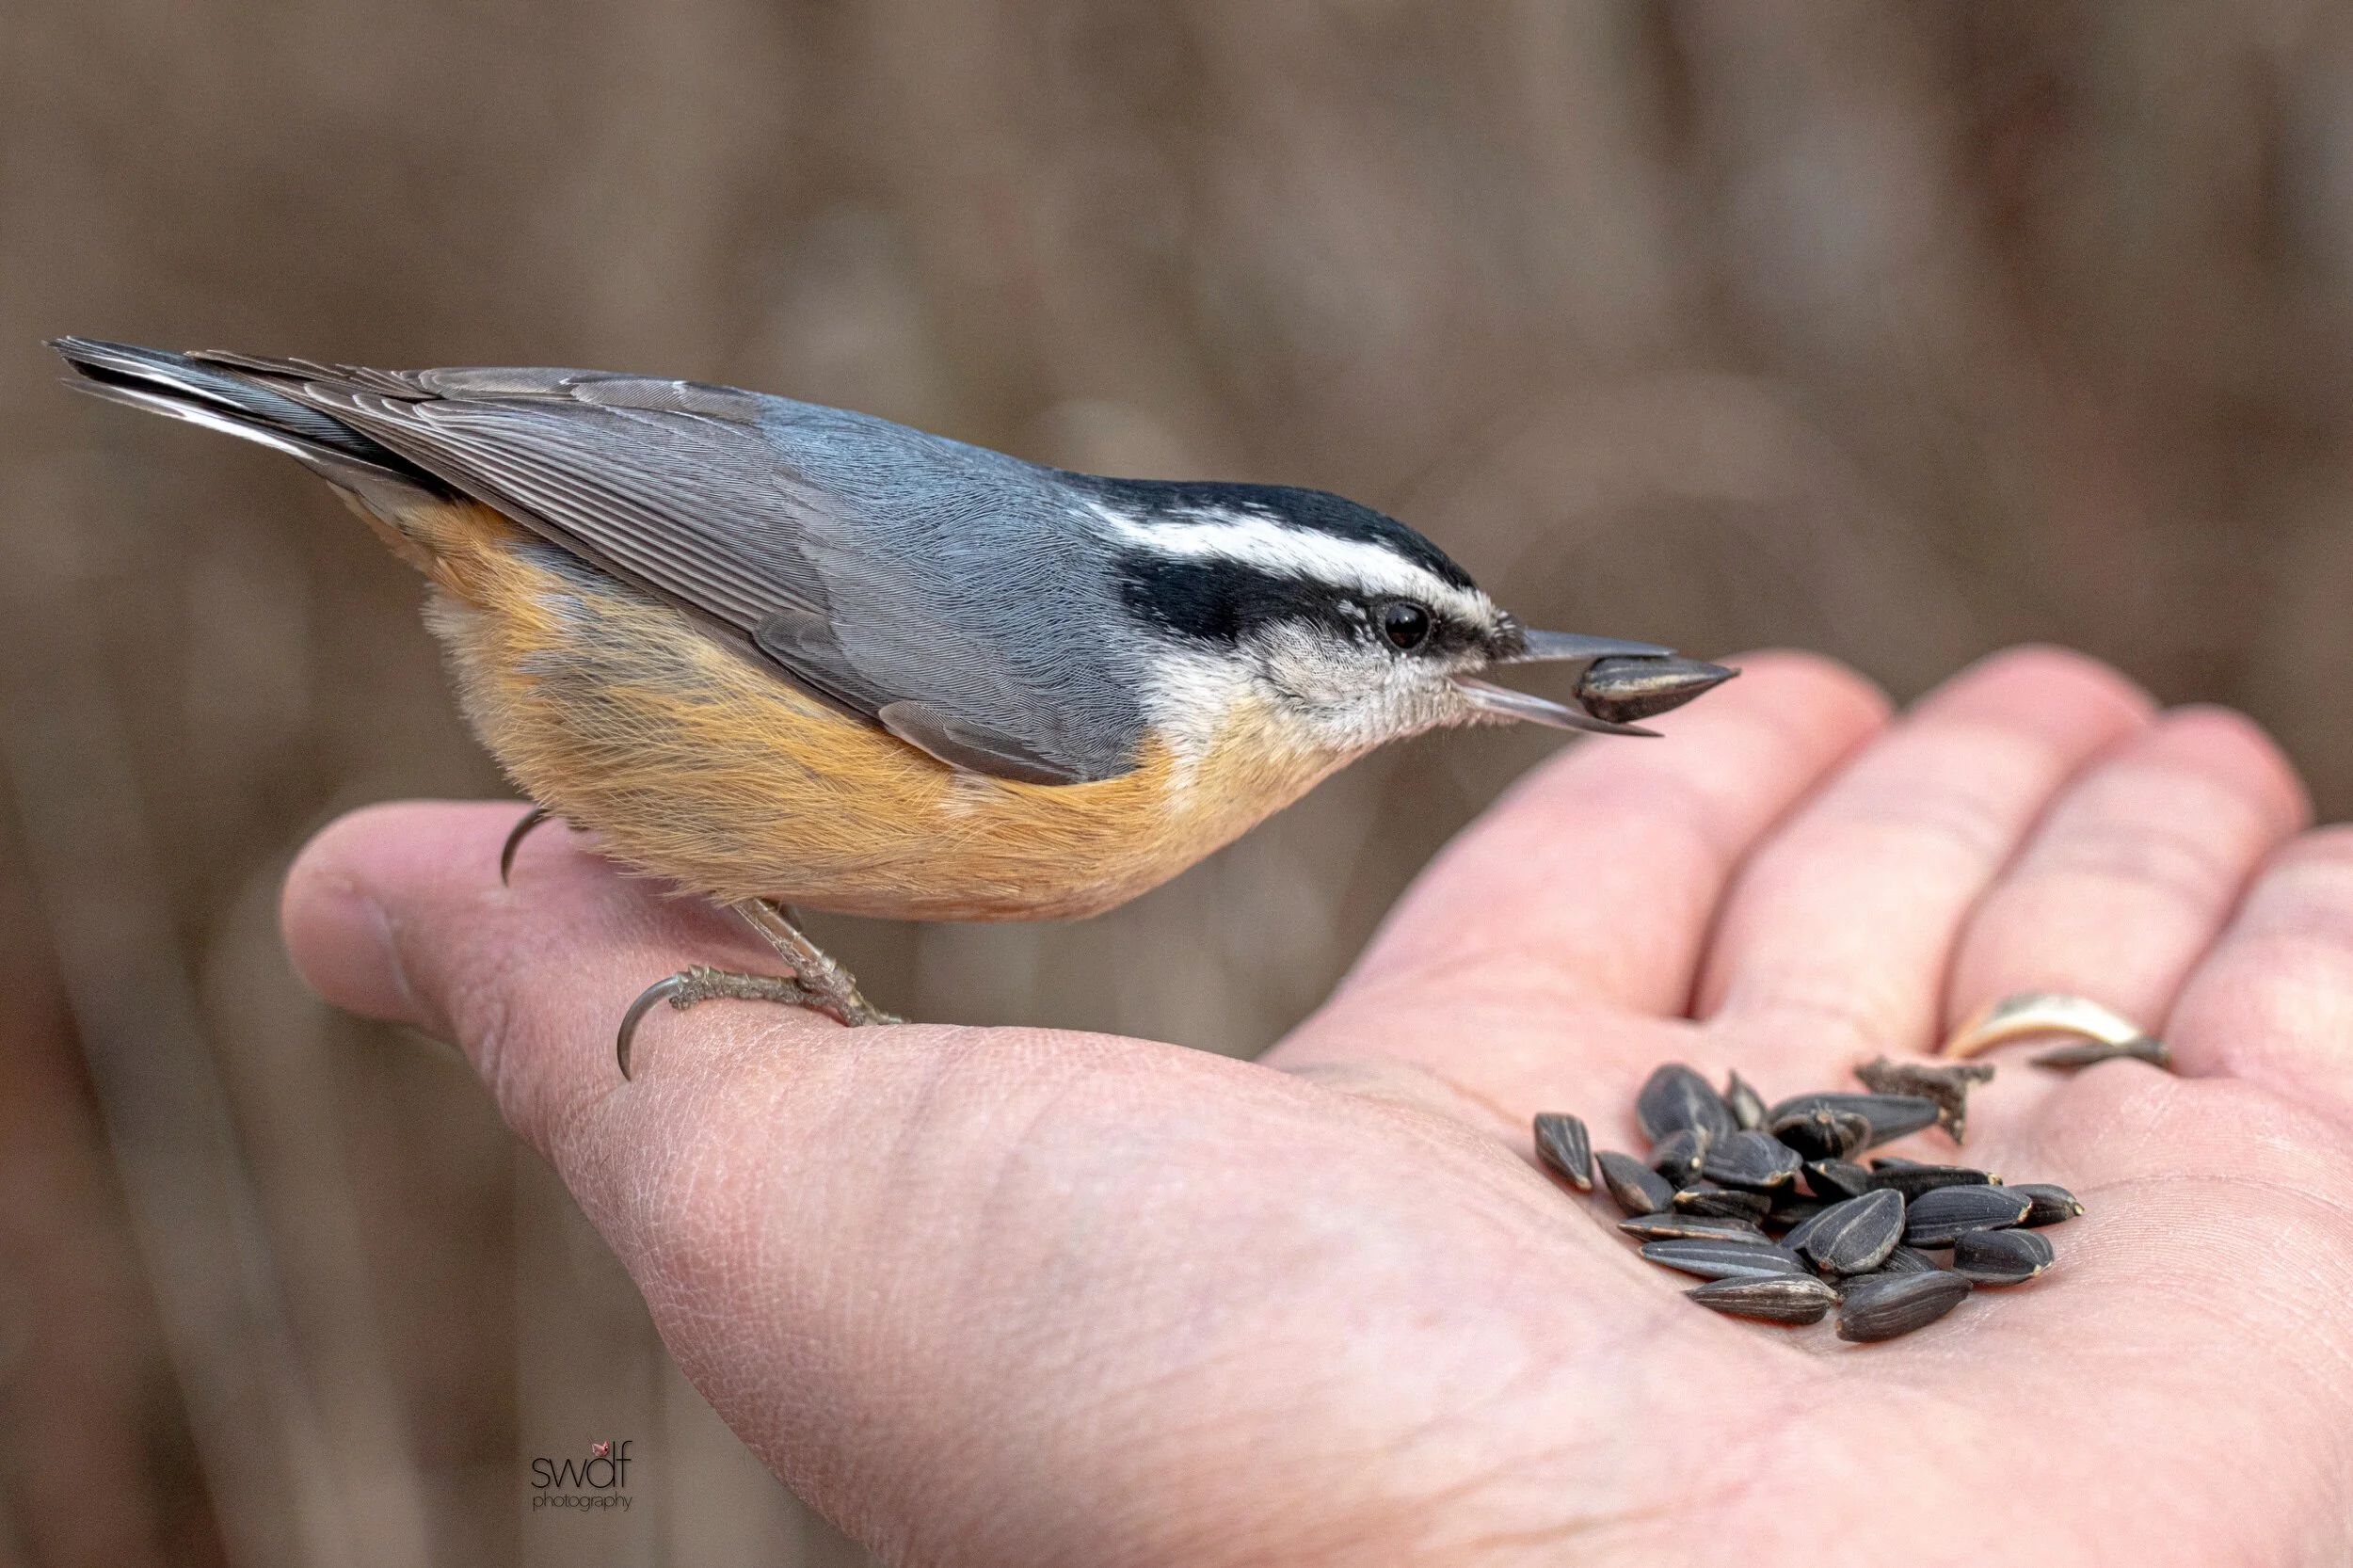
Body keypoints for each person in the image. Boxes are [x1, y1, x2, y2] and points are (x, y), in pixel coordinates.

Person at [282, 647, 2353, 1564]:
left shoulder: (1146, 752)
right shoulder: (1090, 718)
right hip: (582, 564)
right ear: (1229, 650)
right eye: (1383, 647)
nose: (1447, 686)